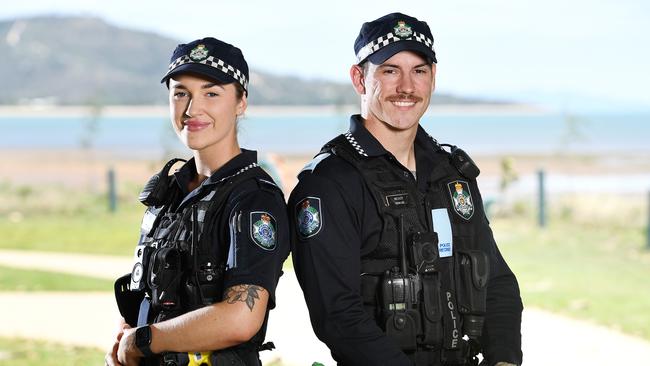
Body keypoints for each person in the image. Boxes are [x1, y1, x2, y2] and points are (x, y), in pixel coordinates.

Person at [289, 13, 523, 366]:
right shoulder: (329, 182)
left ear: (433, 78)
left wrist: (503, 359)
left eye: (419, 71)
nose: (407, 87)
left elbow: (497, 283)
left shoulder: (452, 174)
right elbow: (338, 316)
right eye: (389, 70)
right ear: (359, 79)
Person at [105, 37, 289, 366]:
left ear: (241, 102)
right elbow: (145, 294)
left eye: (211, 93)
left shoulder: (253, 198)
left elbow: (240, 319)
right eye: (180, 93)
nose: (192, 109)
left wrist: (144, 340)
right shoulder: (167, 193)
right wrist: (123, 342)